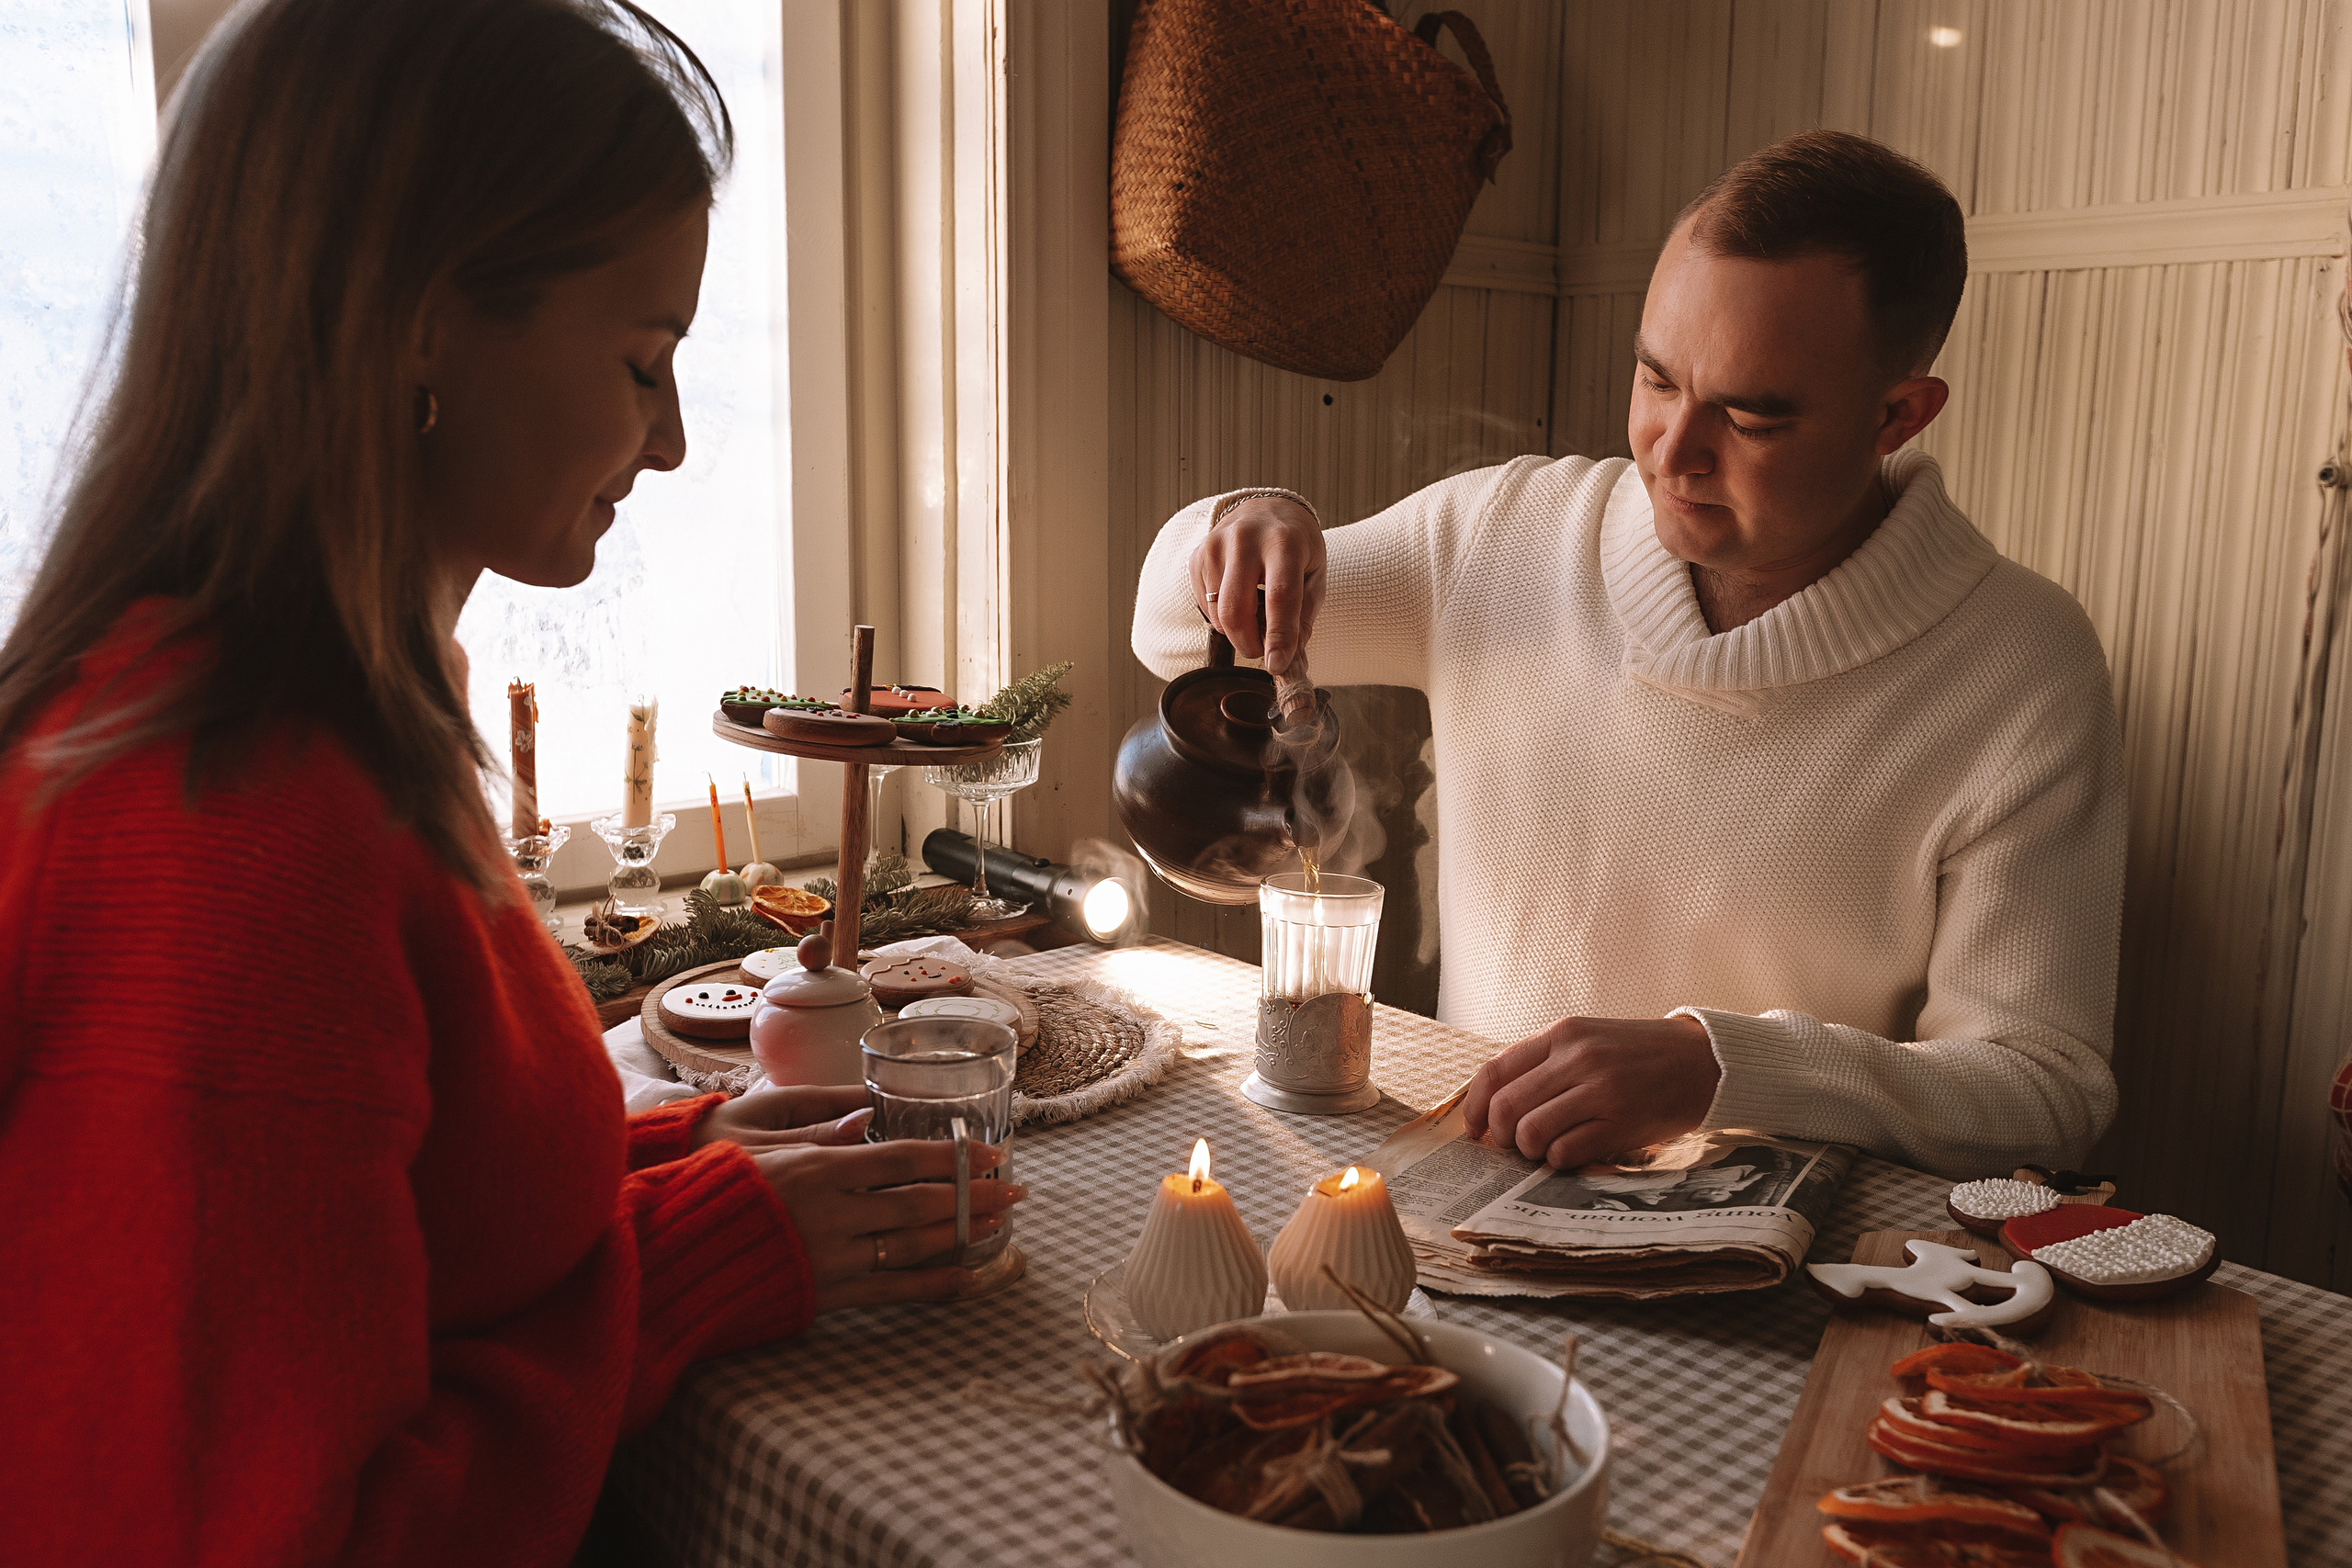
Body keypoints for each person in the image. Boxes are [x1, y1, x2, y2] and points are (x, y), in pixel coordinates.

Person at [0, 3, 1020, 1562]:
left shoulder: (340, 717)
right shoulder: (236, 830)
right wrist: (676, 1273)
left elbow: (398, 1231)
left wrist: (686, 1162)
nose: (671, 444)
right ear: (422, 321)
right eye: (643, 359)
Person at [1132, 131, 2126, 1180]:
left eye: (1750, 417)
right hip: (1466, 1187)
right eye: (1656, 378)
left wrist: (1723, 1067)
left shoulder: (2019, 663)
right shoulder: (1506, 535)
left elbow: (2045, 1090)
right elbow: (1170, 632)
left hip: (1768, 1245)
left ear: (1898, 415)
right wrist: (1250, 519)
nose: (1671, 451)